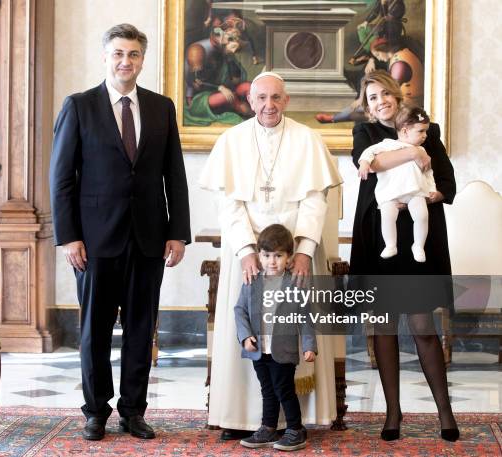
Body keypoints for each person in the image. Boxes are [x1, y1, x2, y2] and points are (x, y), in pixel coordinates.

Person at [49, 24, 191, 441]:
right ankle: (95, 411)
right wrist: (68, 236)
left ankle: (133, 411)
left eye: (133, 54)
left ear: (142, 60)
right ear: (106, 57)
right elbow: (61, 180)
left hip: (149, 238)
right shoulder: (79, 106)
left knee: (141, 328)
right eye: (118, 54)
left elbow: (174, 176)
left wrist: (177, 232)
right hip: (93, 242)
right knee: (94, 330)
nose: (125, 61)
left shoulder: (161, 108)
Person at [199, 71, 342, 439]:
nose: (269, 105)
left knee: (295, 327)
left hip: (295, 253)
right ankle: (244, 417)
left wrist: (305, 250)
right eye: (261, 98)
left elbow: (315, 199)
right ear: (251, 102)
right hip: (248, 255)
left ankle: (298, 419)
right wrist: (246, 251)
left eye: (276, 98)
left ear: (287, 100)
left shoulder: (307, 139)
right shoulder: (232, 141)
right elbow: (228, 203)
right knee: (250, 327)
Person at [350, 70, 459, 442]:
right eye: (372, 97)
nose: (380, 101)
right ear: (367, 106)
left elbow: (447, 183)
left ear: (396, 95)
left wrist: (430, 196)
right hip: (379, 240)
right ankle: (392, 413)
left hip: (418, 244)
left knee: (422, 327)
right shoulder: (365, 135)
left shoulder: (428, 130)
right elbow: (372, 165)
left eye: (384, 93)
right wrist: (413, 151)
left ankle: (445, 411)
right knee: (383, 326)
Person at [234, 224, 317, 451]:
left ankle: (295, 430)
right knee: (267, 390)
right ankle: (268, 428)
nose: (272, 261)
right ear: (259, 256)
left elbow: (306, 317)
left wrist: (310, 346)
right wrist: (245, 336)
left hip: (284, 350)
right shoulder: (252, 282)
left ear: (289, 258)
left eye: (278, 255)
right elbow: (239, 310)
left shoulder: (295, 284)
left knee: (284, 389)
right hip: (259, 349)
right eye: (267, 255)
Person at [358, 105, 436, 262]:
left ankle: (419, 245)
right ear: (405, 131)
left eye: (425, 131)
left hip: (415, 192)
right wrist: (364, 163)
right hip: (391, 193)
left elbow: (428, 172)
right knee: (387, 216)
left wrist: (432, 189)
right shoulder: (387, 144)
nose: (425, 135)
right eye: (421, 131)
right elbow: (368, 152)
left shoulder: (422, 151)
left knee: (422, 216)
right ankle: (390, 245)